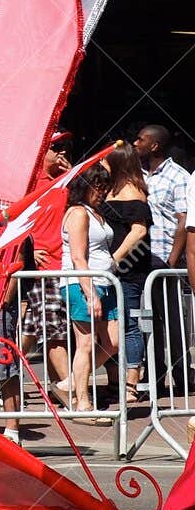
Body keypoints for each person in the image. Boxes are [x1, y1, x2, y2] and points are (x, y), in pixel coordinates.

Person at [17, 130, 76, 411]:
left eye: (65, 146)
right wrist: (28, 248)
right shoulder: (29, 182)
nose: (63, 152)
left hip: (62, 264)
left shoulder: (64, 180)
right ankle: (71, 394)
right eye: (57, 147)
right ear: (42, 151)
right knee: (55, 330)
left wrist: (72, 175)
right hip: (42, 266)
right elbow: (14, 218)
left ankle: (7, 369)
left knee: (36, 328)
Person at [134, 124, 190, 395]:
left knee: (172, 321)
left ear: (154, 145)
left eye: (141, 140)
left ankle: (182, 378)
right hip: (143, 258)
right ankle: (154, 378)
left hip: (165, 261)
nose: (136, 143)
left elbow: (183, 222)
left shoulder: (179, 177)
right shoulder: (139, 175)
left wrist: (172, 260)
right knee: (148, 321)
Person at [62, 165, 117, 424]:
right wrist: (90, 291)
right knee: (85, 342)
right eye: (97, 186)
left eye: (105, 187)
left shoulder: (96, 213)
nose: (102, 192)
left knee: (113, 341)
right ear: (84, 186)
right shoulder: (78, 213)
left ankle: (71, 381)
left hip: (105, 282)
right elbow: (77, 257)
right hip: (83, 283)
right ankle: (82, 402)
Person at [100, 144, 152, 407]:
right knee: (111, 323)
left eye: (106, 161)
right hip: (109, 270)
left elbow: (138, 232)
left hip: (129, 268)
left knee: (129, 323)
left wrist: (114, 259)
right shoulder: (111, 189)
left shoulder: (134, 192)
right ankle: (113, 381)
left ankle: (132, 381)